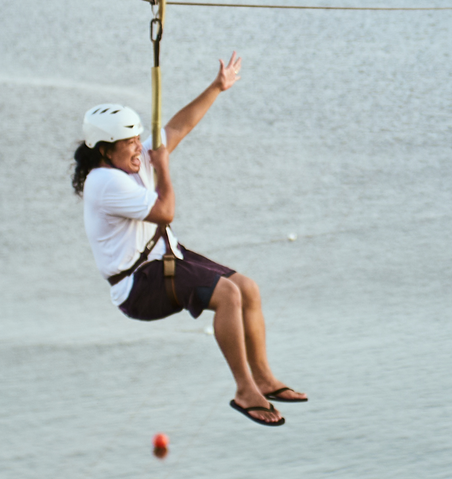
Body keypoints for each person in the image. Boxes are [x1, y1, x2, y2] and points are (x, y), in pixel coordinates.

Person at [71, 55, 305, 427]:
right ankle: (245, 391)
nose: (137, 148)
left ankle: (263, 377)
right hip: (139, 286)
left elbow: (177, 128)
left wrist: (217, 86)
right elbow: (165, 212)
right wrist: (163, 167)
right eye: (128, 143)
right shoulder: (105, 182)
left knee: (247, 288)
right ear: (104, 150)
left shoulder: (127, 162)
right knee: (228, 295)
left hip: (164, 260)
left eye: (137, 139)